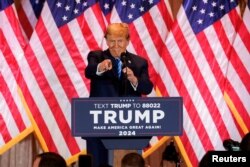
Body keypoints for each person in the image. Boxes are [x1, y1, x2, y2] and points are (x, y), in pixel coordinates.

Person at [84, 22, 153, 167]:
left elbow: (147, 88)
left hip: (129, 128)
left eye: (120, 41)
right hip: (98, 128)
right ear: (106, 40)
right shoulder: (97, 56)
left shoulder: (139, 63)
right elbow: (89, 71)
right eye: (111, 41)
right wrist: (101, 67)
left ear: (128, 41)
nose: (115, 45)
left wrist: (134, 79)